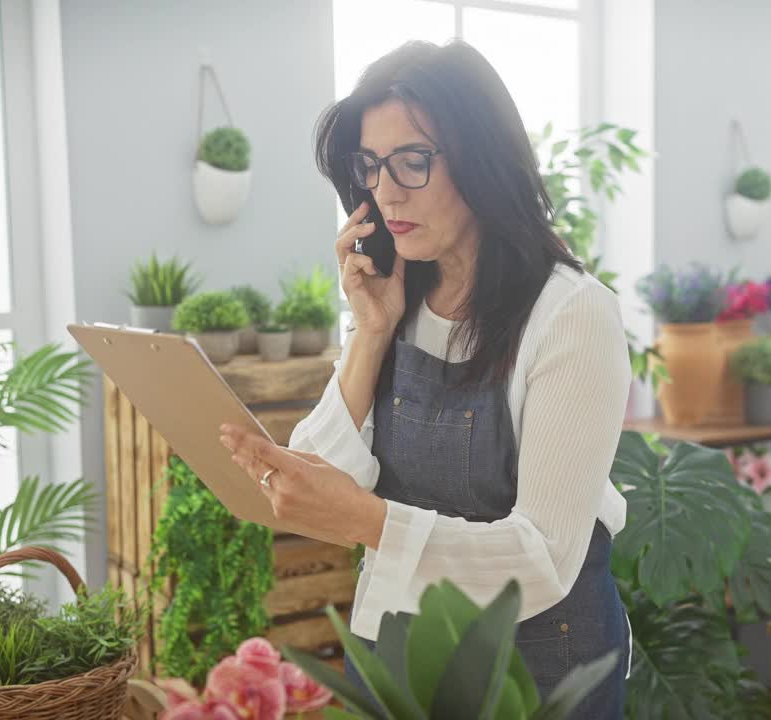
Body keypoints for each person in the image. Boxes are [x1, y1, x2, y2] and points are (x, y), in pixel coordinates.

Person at [218, 40, 630, 716]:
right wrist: (372, 332)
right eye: (372, 166)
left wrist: (372, 522)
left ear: (483, 161)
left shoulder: (572, 314)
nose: (386, 191)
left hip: (535, 672)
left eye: (413, 160)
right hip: (402, 654)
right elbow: (323, 474)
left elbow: (547, 556)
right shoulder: (397, 294)